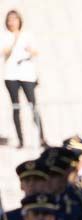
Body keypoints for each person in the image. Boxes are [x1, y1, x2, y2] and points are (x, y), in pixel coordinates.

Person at [2, 10, 44, 148]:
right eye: (10, 19)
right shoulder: (5, 35)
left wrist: (29, 49)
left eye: (15, 19)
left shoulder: (27, 35)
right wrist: (15, 39)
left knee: (33, 105)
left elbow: (36, 51)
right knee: (16, 106)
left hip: (27, 74)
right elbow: (4, 52)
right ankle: (21, 140)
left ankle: (42, 138)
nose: (12, 22)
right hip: (11, 74)